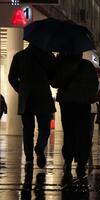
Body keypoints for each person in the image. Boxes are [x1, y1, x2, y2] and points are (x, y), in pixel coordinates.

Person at [8, 43, 56, 171]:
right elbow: (54, 79)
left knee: (28, 129)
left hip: (26, 98)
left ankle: (29, 159)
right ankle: (40, 146)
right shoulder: (48, 56)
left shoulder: (19, 56)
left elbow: (11, 77)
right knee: (44, 128)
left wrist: (21, 89)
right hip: (43, 97)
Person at [53, 53, 99, 179]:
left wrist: (58, 63)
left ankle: (68, 161)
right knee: (83, 133)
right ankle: (81, 162)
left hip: (67, 103)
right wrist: (88, 97)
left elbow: (54, 82)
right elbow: (94, 85)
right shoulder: (87, 65)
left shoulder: (63, 64)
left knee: (69, 132)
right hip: (83, 104)